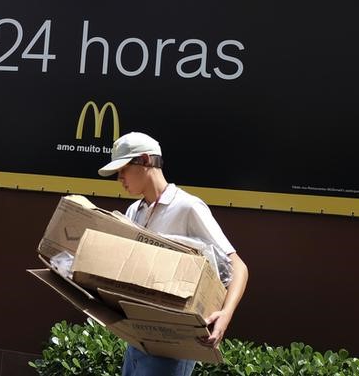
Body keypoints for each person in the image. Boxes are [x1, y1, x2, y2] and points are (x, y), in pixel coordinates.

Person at [98, 131, 249, 376]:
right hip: (137, 339)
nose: (119, 178)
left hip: (174, 344)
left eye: (123, 169)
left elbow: (238, 266)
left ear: (145, 160)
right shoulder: (133, 211)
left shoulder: (187, 207)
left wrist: (225, 315)